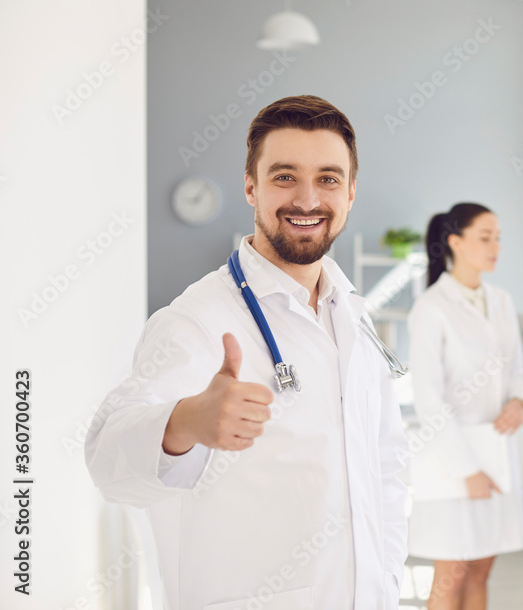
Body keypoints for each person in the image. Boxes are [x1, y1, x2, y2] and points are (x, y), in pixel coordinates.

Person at [85, 95, 408, 610]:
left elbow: (386, 466)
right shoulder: (196, 321)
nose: (307, 200)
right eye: (284, 177)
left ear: (350, 192)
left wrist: (388, 580)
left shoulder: (352, 315)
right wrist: (184, 423)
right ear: (250, 186)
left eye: (327, 178)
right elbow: (106, 462)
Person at [406, 203, 523, 610]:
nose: (495, 246)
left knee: (481, 569)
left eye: (498, 237)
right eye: (485, 237)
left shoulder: (501, 300)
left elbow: (516, 368)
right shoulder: (431, 307)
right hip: (453, 460)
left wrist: (518, 400)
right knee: (451, 574)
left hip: (495, 453)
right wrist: (468, 470)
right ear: (455, 243)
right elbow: (428, 400)